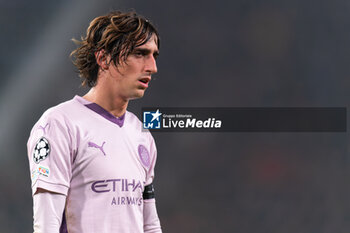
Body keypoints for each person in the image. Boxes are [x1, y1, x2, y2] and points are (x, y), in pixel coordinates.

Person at [27, 11, 162, 233]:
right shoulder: (59, 124)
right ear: (103, 59)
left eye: (154, 55)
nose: (152, 67)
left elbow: (150, 225)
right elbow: (46, 225)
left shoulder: (141, 133)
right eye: (140, 54)